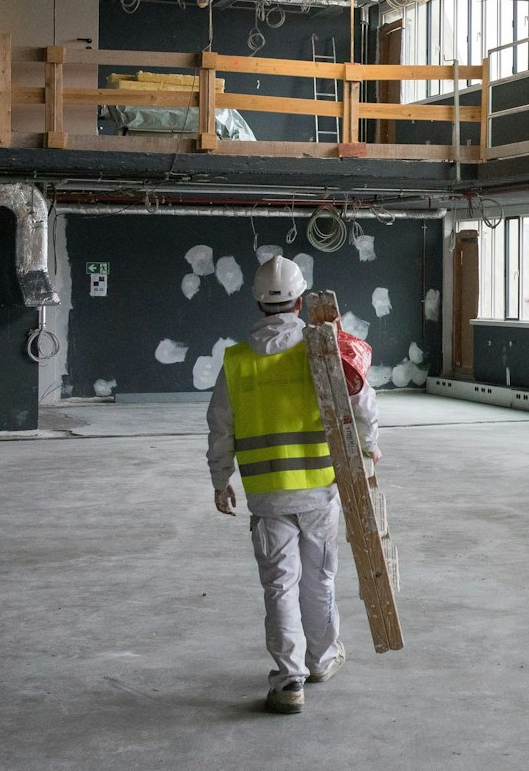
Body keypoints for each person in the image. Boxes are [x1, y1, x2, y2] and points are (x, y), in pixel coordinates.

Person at [207, 255, 381, 714]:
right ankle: (322, 660)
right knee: (319, 580)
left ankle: (289, 683)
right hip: (319, 488)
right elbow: (360, 397)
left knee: (280, 585)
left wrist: (220, 477)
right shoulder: (322, 349)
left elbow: (220, 426)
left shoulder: (237, 361)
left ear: (258, 303)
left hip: (266, 496)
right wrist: (368, 445)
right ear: (301, 301)